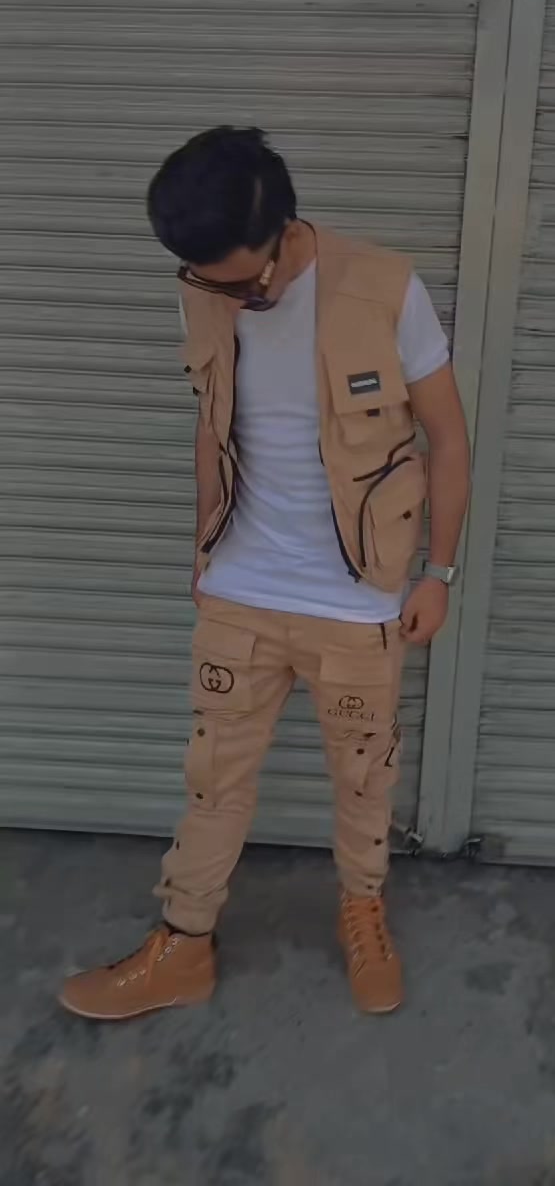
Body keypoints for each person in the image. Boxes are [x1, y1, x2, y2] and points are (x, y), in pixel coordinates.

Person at [59, 127, 470, 1021]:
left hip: (357, 600)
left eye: (249, 283)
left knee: (364, 782)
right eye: (216, 284)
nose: (240, 299)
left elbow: (447, 438)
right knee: (213, 781)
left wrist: (439, 571)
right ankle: (184, 946)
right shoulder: (205, 287)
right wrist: (202, 552)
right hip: (241, 593)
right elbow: (213, 425)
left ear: (285, 230)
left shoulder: (385, 288)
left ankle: (364, 913)